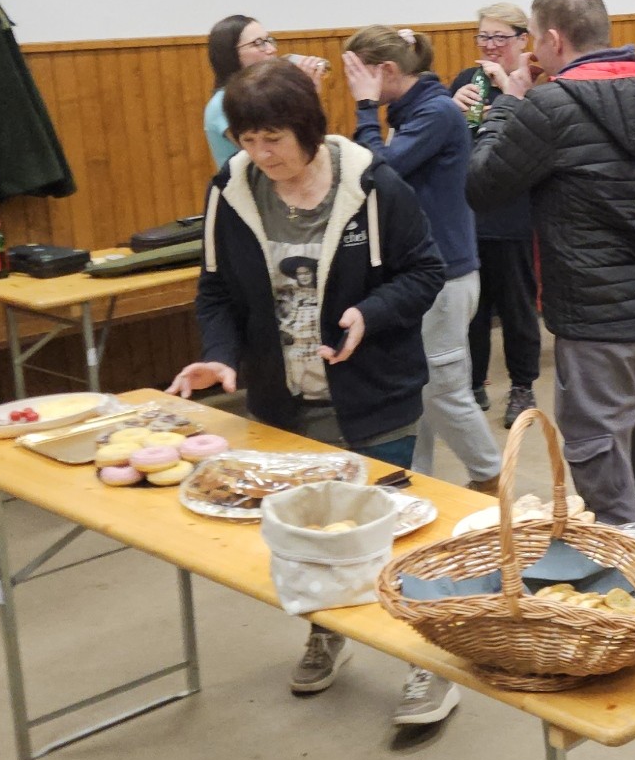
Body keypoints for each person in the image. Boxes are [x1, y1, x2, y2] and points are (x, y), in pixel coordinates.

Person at [167, 61, 457, 723]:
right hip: (285, 401)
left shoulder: (373, 184)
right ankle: (326, 631)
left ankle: (430, 663)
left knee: (396, 536)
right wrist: (219, 356)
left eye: (272, 139)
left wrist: (369, 313)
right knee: (311, 533)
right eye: (247, 140)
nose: (261, 154)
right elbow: (215, 289)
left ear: (307, 127)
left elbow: (424, 270)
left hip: (375, 393)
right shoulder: (231, 189)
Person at [466, 0, 635, 526]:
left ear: (554, 40)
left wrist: (508, 102)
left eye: (536, 39)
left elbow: (481, 186)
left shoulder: (548, 106)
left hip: (594, 321)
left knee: (599, 464)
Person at [344, 24, 502, 494]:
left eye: (361, 76)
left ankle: (494, 479)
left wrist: (365, 108)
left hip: (446, 277)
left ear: (388, 70)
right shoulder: (414, 110)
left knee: (443, 390)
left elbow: (377, 173)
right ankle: (415, 484)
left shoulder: (435, 112)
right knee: (417, 391)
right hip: (425, 275)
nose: (355, 87)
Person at [448, 3, 543, 426]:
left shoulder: (536, 84)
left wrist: (509, 95)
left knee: (518, 308)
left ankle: (522, 386)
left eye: (499, 38)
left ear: (522, 40)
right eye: (483, 37)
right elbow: (452, 147)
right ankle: (473, 383)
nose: (489, 46)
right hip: (470, 214)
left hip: (514, 213)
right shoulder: (466, 81)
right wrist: (451, 109)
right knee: (474, 309)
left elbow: (538, 144)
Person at [203, 15, 327, 167]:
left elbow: (308, 142)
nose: (272, 49)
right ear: (230, 54)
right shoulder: (222, 103)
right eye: (258, 43)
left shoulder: (267, 94)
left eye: (269, 40)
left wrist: (306, 94)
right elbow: (270, 155)